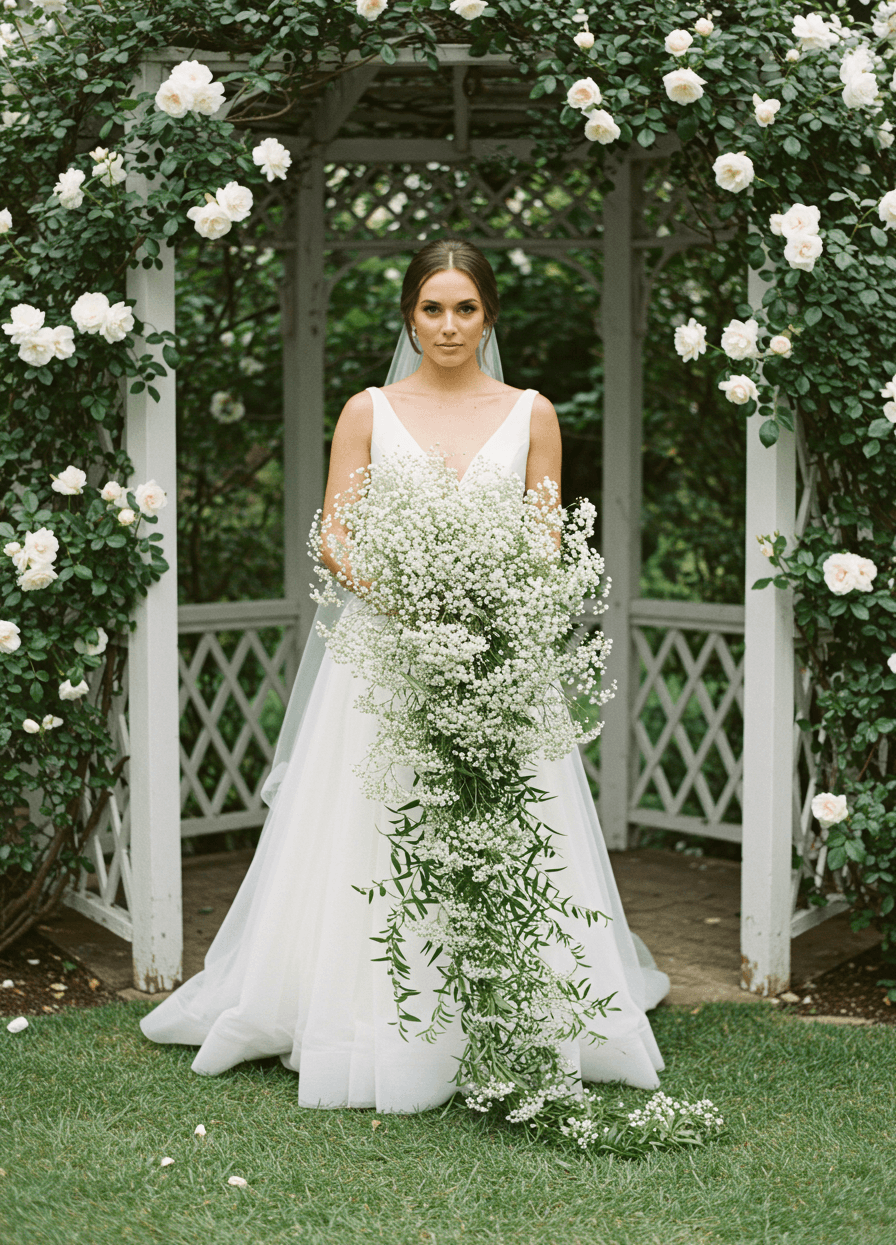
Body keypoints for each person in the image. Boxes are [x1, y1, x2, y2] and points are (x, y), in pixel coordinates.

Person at [140, 237, 671, 1111]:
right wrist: (412, 597)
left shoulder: (532, 412)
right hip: (385, 656)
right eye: (433, 307)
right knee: (373, 831)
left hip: (499, 654)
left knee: (508, 823)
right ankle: (360, 1013)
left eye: (466, 308)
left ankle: (516, 1012)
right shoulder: (369, 410)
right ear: (409, 315)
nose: (449, 324)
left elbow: (545, 536)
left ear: (490, 315)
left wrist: (486, 605)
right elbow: (337, 533)